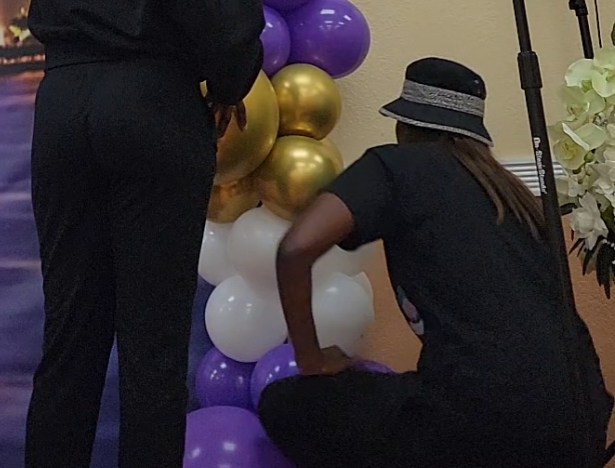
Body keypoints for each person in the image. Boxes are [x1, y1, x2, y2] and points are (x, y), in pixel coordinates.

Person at [22, 0, 264, 468]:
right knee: (153, 349)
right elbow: (232, 29)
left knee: (69, 338)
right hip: (155, 113)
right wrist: (223, 92)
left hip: (62, 105)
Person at [259, 57, 613, 468]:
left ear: (405, 126)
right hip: (582, 425)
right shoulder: (511, 194)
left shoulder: (395, 166)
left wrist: (311, 360)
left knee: (286, 403)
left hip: (479, 427)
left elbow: (295, 248)